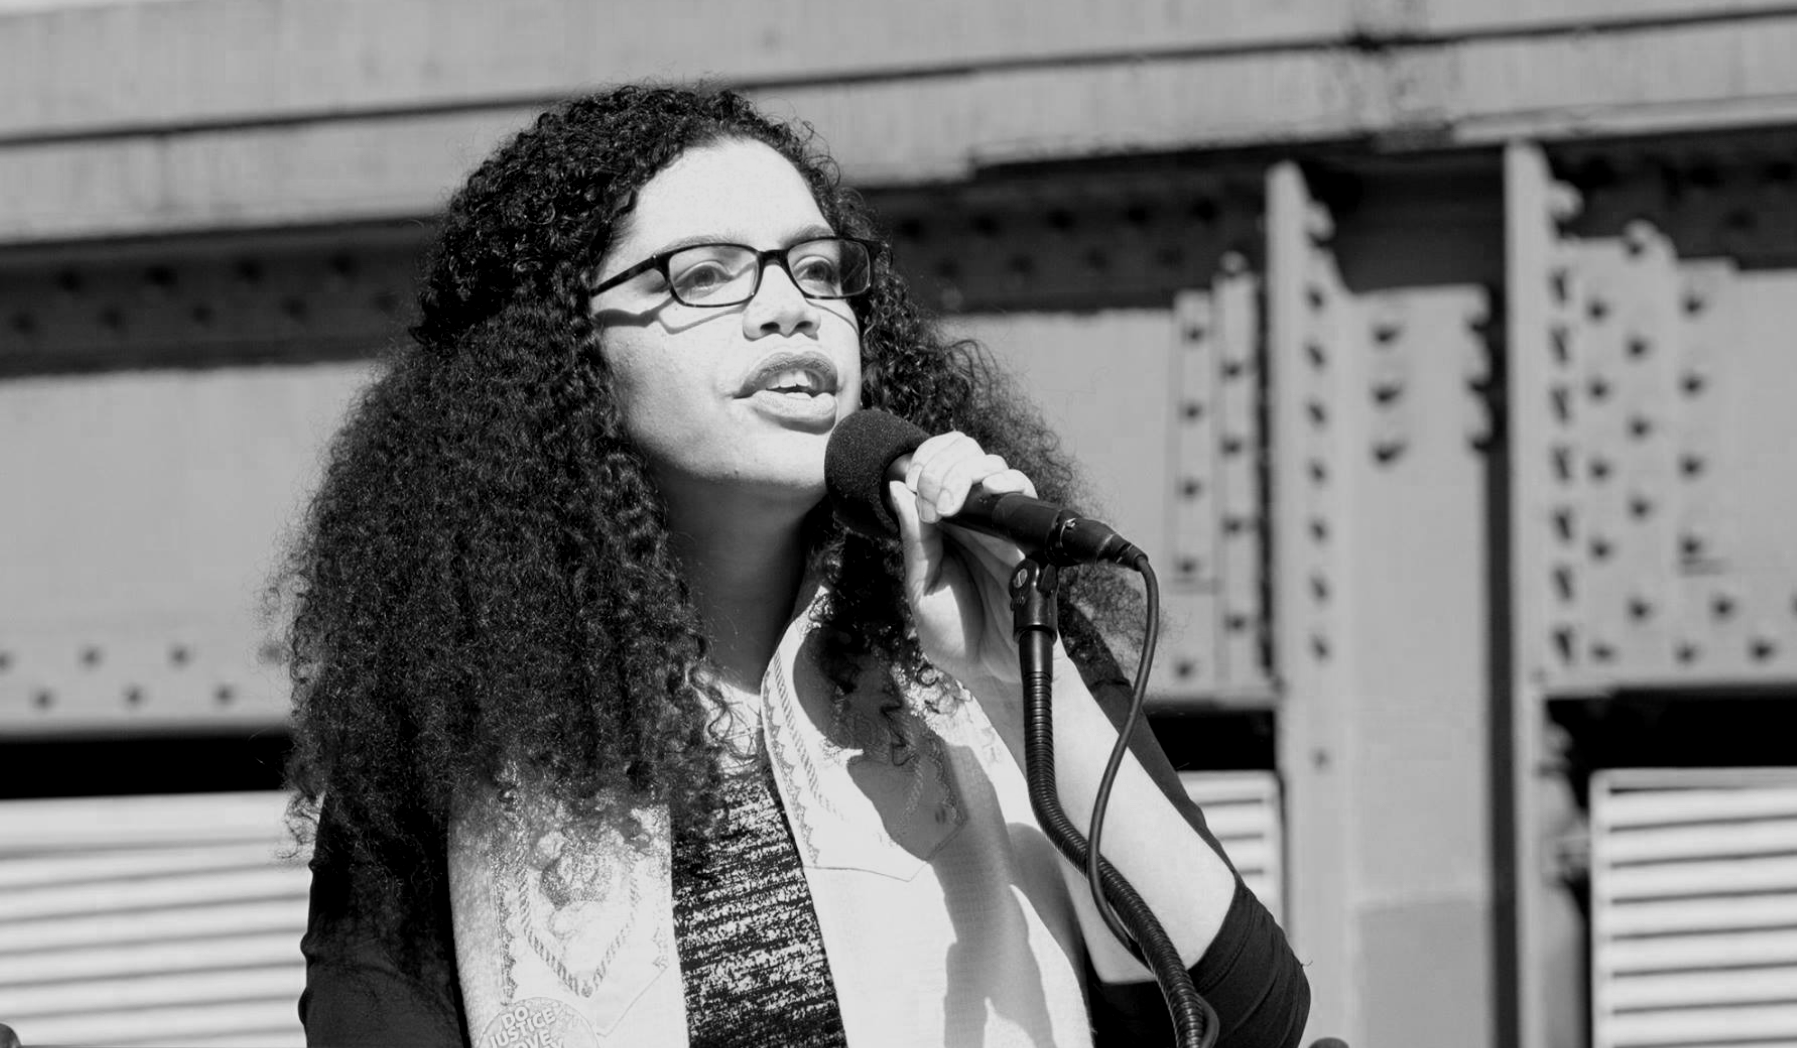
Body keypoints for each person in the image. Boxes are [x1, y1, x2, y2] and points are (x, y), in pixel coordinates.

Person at [283, 83, 1308, 1048]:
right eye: (704, 273)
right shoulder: (443, 729)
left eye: (818, 270)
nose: (789, 308)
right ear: (560, 354)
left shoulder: (995, 638)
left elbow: (1244, 1021)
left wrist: (1009, 678)